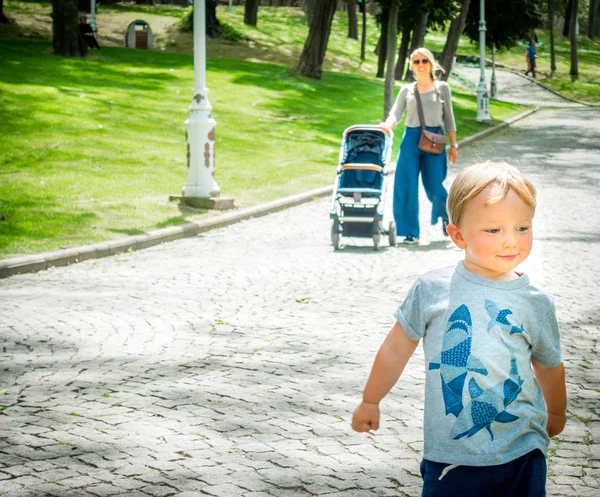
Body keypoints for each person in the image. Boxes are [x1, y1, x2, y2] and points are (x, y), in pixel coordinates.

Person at [352, 161, 567, 497]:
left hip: (523, 450)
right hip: (451, 457)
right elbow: (395, 349)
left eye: (522, 228)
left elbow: (548, 364)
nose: (511, 241)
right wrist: (370, 399)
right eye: (493, 230)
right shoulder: (431, 289)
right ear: (458, 235)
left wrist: (555, 410)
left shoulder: (536, 302)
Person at [380, 48, 458, 245]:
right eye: (416, 62)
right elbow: (395, 113)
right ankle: (409, 232)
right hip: (411, 140)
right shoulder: (407, 90)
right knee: (405, 183)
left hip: (435, 139)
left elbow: (449, 118)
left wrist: (453, 145)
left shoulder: (442, 88)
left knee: (434, 184)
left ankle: (448, 215)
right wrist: (388, 124)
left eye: (424, 61)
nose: (421, 65)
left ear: (431, 63)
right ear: (411, 66)